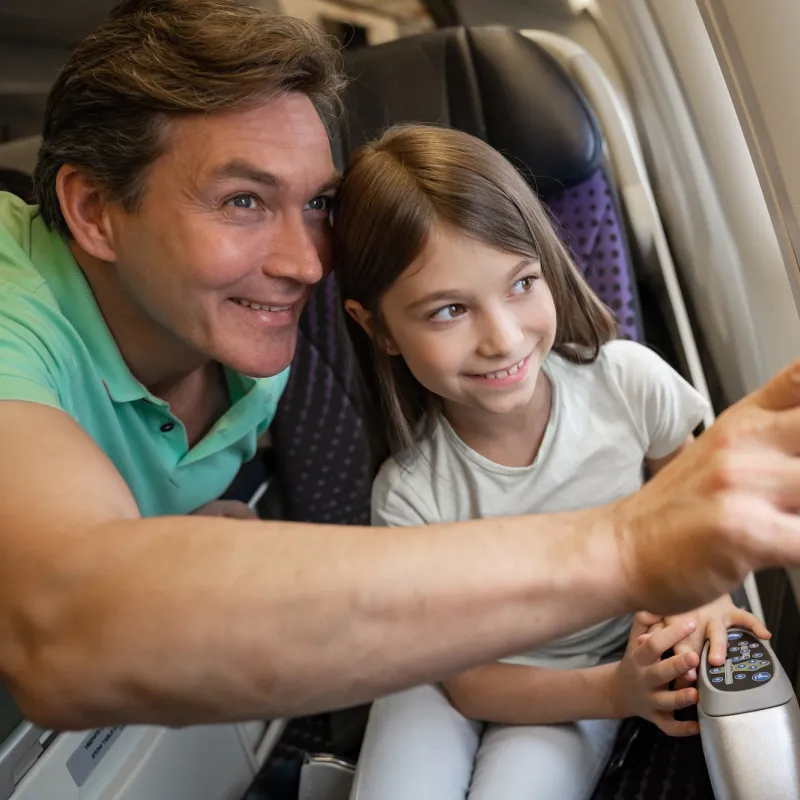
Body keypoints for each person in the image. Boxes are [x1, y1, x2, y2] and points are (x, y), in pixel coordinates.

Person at [1, 0, 800, 735]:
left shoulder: (236, 322)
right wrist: (633, 548)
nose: (307, 264)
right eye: (243, 201)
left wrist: (161, 537)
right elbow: (62, 625)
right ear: (95, 211)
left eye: (316, 204)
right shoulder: (15, 322)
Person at [333, 124, 771, 799]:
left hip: (586, 679)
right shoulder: (410, 495)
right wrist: (616, 690)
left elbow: (695, 518)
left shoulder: (628, 384)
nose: (503, 338)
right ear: (378, 327)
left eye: (520, 284)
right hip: (447, 678)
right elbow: (468, 682)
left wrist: (703, 609)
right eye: (450, 310)